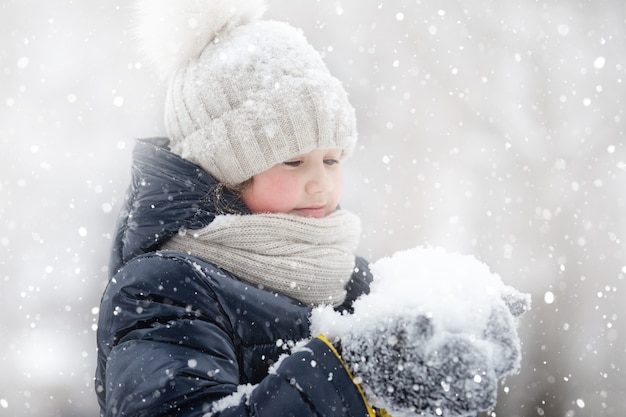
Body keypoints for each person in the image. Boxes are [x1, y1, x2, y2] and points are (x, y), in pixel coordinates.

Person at [95, 1, 527, 416]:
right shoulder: (165, 290)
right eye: (294, 160)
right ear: (226, 169)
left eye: (332, 159)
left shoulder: (346, 279)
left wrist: (449, 313)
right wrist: (350, 373)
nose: (320, 182)